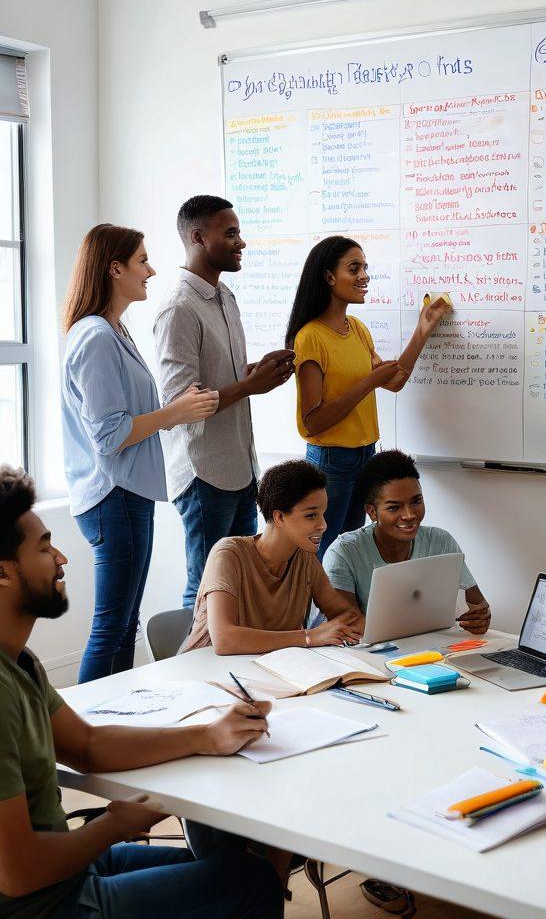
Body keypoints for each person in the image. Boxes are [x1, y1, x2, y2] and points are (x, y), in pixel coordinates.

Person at [0, 464, 284, 919]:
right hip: (42, 905)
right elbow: (18, 874)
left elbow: (88, 746)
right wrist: (113, 825)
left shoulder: (21, 662)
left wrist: (207, 736)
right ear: (3, 573)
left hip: (65, 874)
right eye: (44, 548)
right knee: (252, 882)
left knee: (227, 867)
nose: (62, 559)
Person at [62, 225, 218, 683]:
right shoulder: (95, 337)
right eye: (142, 261)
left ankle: (114, 725)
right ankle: (87, 740)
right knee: (111, 628)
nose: (151, 270)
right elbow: (109, 436)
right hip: (114, 497)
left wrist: (174, 410)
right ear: (115, 269)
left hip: (127, 496)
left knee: (123, 626)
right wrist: (175, 412)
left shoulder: (114, 331)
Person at [154, 195, 295, 610]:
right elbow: (183, 401)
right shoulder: (179, 308)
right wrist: (250, 387)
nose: (241, 242)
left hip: (239, 467)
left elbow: (218, 376)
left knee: (238, 585)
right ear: (198, 237)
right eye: (230, 233)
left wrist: (255, 371)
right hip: (204, 473)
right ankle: (189, 673)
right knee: (205, 590)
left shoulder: (225, 297)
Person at [285, 237, 449, 558]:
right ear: (329, 277)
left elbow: (396, 380)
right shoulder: (310, 338)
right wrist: (368, 382)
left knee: (348, 555)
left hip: (365, 457)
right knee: (324, 555)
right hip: (331, 461)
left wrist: (423, 329)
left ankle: (344, 610)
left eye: (365, 268)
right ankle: (320, 611)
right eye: (354, 268)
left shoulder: (357, 328)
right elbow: (313, 421)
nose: (364, 276)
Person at [180, 459, 364, 654]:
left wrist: (365, 625)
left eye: (323, 514)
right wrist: (309, 636)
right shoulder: (227, 555)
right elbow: (225, 640)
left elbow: (346, 616)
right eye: (311, 515)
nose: (323, 525)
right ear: (279, 517)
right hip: (205, 673)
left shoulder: (304, 559)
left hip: (265, 672)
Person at [322, 449, 491, 635]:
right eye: (394, 507)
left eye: (416, 501)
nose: (410, 515)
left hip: (428, 648)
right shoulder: (343, 553)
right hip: (365, 654)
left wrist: (480, 618)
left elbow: (478, 606)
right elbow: (350, 627)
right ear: (372, 512)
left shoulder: (441, 541)